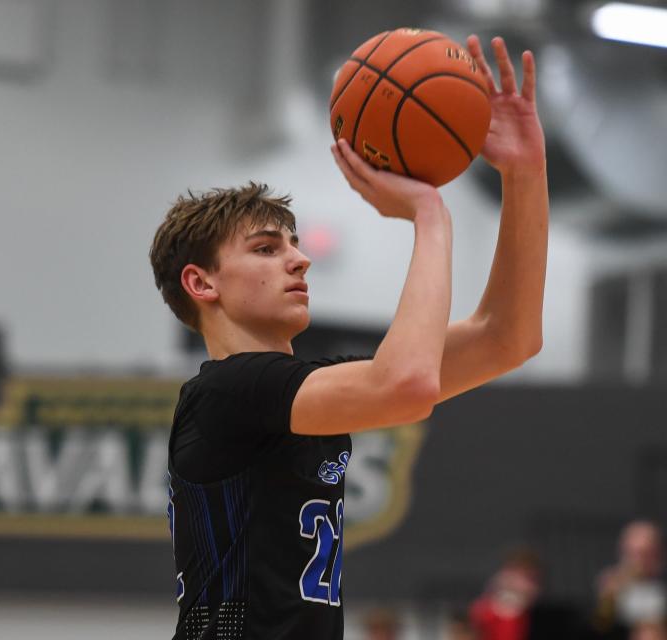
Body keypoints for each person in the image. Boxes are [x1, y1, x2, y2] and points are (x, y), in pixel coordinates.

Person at [149, 35, 548, 640]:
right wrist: (431, 217)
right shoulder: (229, 393)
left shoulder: (304, 390)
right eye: (265, 249)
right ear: (201, 283)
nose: (300, 260)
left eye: (294, 244)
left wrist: (525, 172)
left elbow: (508, 338)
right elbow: (409, 383)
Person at [595, 521, 666, 639]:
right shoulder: (612, 584)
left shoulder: (662, 584)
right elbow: (600, 627)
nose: (638, 561)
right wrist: (608, 599)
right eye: (631, 553)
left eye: (645, 554)